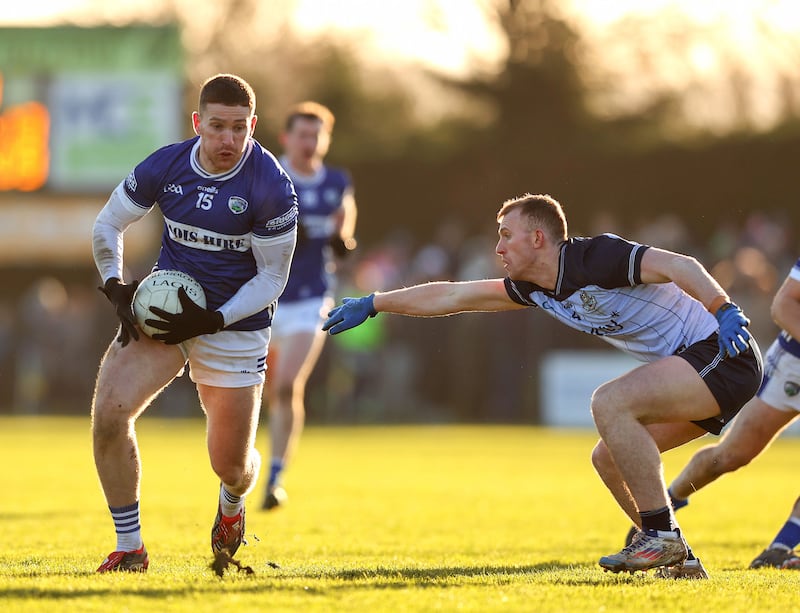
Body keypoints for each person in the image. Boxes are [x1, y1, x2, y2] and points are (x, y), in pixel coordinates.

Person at [322, 193, 762, 579]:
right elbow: (453, 295)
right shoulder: (532, 288)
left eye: (506, 235)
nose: (498, 247)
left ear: (537, 239)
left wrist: (723, 309)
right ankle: (678, 560)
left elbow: (679, 264)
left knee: (610, 403)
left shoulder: (596, 256)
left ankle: (660, 536)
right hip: (698, 368)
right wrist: (376, 302)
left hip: (724, 352)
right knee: (608, 458)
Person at [91, 74, 298, 572]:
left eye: (238, 129)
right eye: (216, 127)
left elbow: (272, 279)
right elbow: (108, 224)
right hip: (167, 311)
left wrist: (214, 318)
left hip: (235, 323)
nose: (227, 140)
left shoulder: (271, 186)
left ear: (253, 125)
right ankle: (130, 548)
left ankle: (232, 505)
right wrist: (116, 285)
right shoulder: (167, 164)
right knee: (109, 417)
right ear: (197, 123)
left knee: (230, 464)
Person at [640, 256, 800, 570]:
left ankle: (780, 548)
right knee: (731, 455)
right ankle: (666, 506)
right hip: (794, 366)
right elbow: (783, 306)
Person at [261, 101, 356, 510]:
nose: (310, 142)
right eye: (303, 134)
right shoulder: (269, 175)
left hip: (310, 300)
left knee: (286, 386)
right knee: (256, 393)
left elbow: (345, 224)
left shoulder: (336, 181)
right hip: (262, 299)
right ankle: (240, 470)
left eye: (317, 134)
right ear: (286, 138)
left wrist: (341, 238)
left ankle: (275, 477)